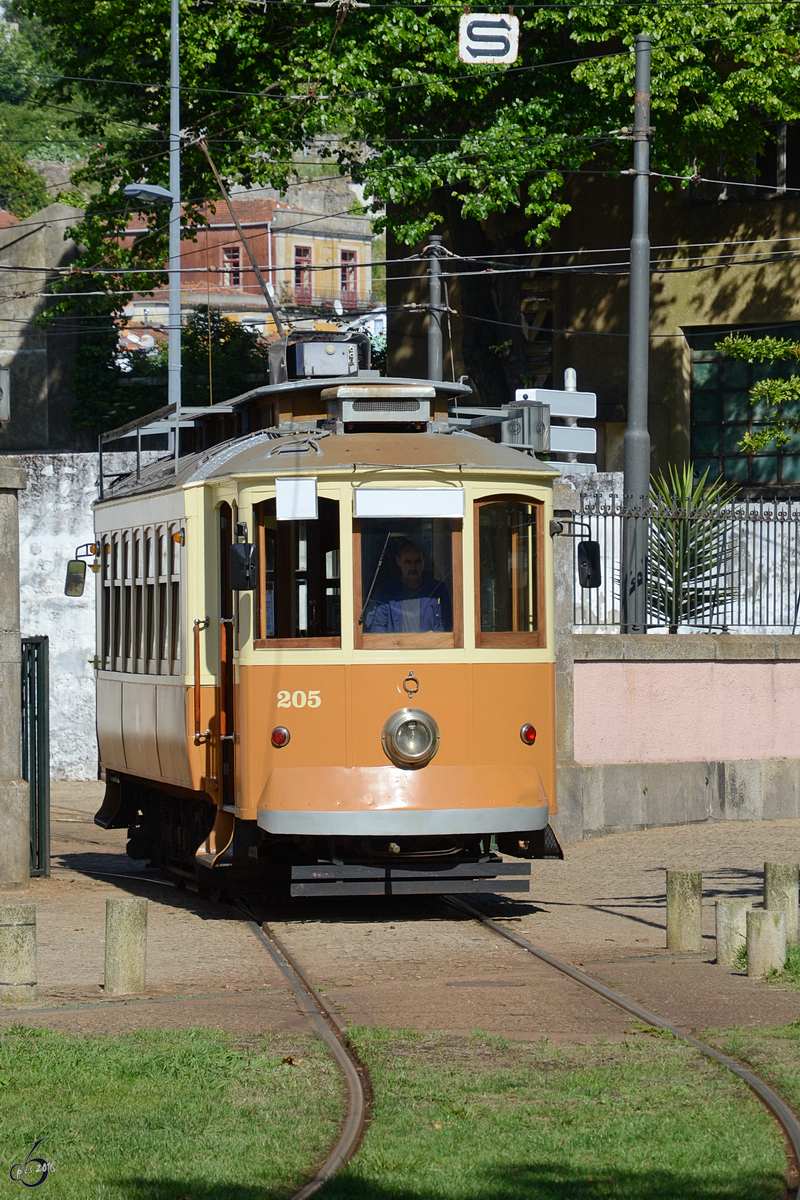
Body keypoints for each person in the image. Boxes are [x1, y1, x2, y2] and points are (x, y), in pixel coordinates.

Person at [365, 540, 452, 633]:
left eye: (417, 561)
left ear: (424, 560)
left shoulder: (437, 590)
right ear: (398, 561)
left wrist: (435, 637)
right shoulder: (385, 592)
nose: (413, 567)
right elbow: (376, 626)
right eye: (408, 562)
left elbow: (447, 624)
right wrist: (394, 641)